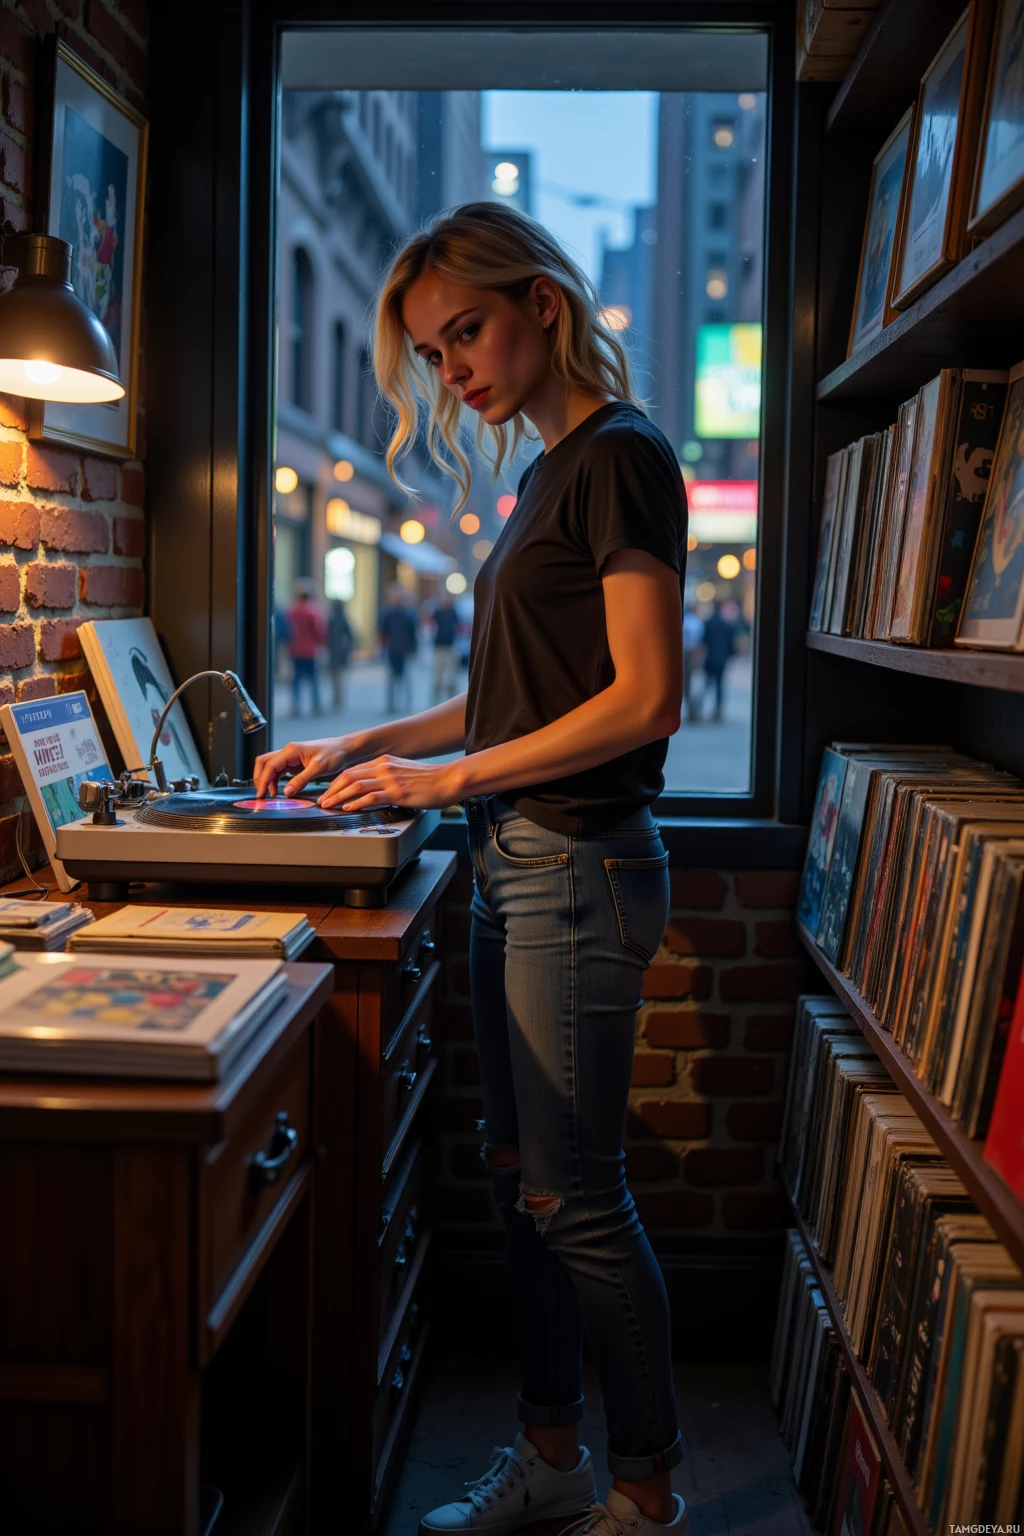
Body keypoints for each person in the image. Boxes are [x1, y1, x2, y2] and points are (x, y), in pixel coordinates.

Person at [254, 201, 690, 1536]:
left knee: (580, 1197)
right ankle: (554, 1460)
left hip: (575, 865)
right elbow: (512, 692)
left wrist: (444, 782)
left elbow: (645, 699)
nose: (455, 371)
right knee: (525, 1181)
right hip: (520, 865)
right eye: (436, 353)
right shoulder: (552, 472)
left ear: (542, 305)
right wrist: (372, 740)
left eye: (468, 333)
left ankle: (646, 1490)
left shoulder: (618, 456)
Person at [286, 578, 327, 716]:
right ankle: (316, 705)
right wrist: (321, 644)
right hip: (310, 650)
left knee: (296, 680)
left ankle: (296, 705)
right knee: (313, 679)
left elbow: (287, 630)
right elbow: (319, 630)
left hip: (295, 649)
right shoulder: (313, 610)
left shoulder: (292, 610)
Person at [379, 582, 418, 713]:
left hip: (405, 650)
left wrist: (414, 650)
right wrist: (382, 648)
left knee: (406, 678)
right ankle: (391, 704)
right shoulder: (387, 613)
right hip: (391, 650)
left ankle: (407, 705)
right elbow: (382, 632)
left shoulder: (408, 613)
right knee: (391, 679)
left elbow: (413, 633)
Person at [700, 599, 736, 724]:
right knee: (720, 685)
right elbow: (732, 644)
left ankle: (699, 709)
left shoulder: (708, 623)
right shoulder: (727, 625)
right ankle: (718, 711)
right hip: (722, 659)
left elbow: (703, 641)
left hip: (709, 659)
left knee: (706, 684)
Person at [429, 591, 460, 701]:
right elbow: (430, 626)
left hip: (451, 647)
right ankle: (436, 698)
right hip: (439, 647)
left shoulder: (454, 612)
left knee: (451, 675)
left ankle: (452, 699)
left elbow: (458, 627)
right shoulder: (437, 612)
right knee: (438, 675)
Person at [327, 598, 355, 709]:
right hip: (338, 651)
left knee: (336, 676)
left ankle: (337, 698)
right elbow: (350, 635)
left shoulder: (334, 619)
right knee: (338, 676)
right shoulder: (341, 619)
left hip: (335, 651)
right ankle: (337, 698)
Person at [681, 605, 704, 723]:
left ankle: (689, 709)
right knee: (690, 683)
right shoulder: (696, 622)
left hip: (684, 653)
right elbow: (698, 642)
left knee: (686, 683)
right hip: (691, 654)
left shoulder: (687, 621)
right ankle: (691, 710)